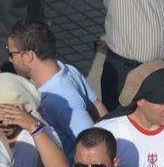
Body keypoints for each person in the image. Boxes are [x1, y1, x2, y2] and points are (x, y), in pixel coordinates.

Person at [6, 20, 100, 148]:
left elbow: (92, 144)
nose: (9, 59)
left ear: (29, 56)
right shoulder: (67, 69)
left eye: (11, 54)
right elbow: (97, 106)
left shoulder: (59, 99)